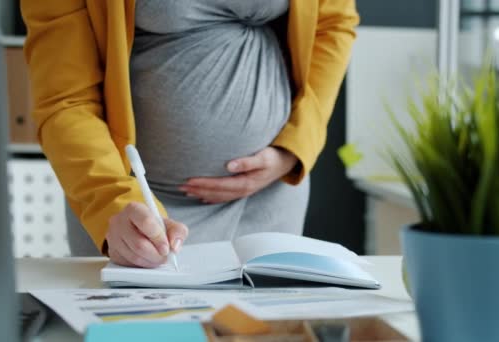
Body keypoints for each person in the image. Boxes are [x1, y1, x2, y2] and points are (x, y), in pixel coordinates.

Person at [21, 0, 359, 268]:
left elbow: (334, 22)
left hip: (269, 199)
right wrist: (116, 201)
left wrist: (294, 147)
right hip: (136, 210)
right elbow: (66, 100)